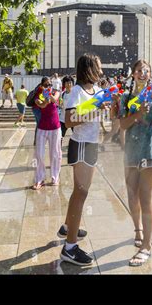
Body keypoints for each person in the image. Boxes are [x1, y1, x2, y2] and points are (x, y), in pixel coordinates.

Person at [59, 53, 109, 266]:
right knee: (81, 192)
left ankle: (68, 227)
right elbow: (69, 121)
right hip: (80, 145)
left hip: (92, 144)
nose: (101, 70)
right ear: (89, 68)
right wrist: (93, 109)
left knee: (80, 192)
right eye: (98, 67)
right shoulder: (77, 92)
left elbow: (96, 112)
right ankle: (70, 248)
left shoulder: (97, 91)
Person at [119, 59, 152, 266]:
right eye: (138, 70)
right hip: (131, 151)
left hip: (151, 150)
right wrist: (137, 113)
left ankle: (146, 246)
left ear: (150, 74)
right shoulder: (126, 97)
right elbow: (122, 124)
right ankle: (137, 228)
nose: (142, 73)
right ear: (133, 74)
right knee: (132, 193)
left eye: (146, 71)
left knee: (145, 196)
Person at [32, 83, 62, 189]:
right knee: (39, 154)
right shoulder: (37, 96)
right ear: (41, 86)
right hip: (42, 127)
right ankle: (40, 179)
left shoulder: (56, 92)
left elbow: (54, 100)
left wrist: (49, 95)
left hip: (55, 127)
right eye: (45, 85)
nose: (48, 87)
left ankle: (55, 177)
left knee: (55, 153)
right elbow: (42, 105)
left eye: (49, 85)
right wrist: (45, 97)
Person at [59, 76, 74, 141]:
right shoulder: (62, 94)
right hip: (63, 119)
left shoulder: (75, 94)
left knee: (78, 137)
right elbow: (60, 105)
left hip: (73, 119)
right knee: (60, 137)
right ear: (64, 84)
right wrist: (60, 105)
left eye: (70, 83)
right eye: (67, 83)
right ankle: (58, 150)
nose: (69, 84)